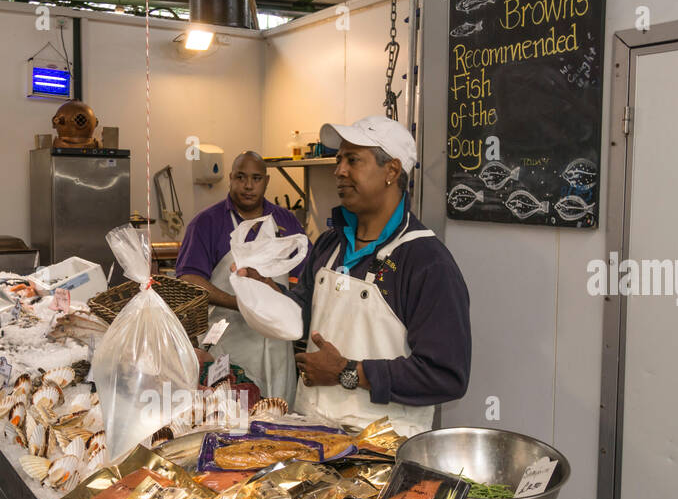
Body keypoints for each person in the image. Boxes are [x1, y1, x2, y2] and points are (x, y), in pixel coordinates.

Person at [240, 116, 471, 438]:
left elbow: (445, 374)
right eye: (338, 160)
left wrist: (349, 372)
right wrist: (267, 295)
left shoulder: (425, 261)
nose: (339, 171)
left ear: (391, 171)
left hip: (380, 447)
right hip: (312, 431)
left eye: (353, 160)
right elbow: (306, 318)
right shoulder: (329, 244)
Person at [175, 151, 310, 402]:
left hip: (277, 346)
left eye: (256, 178)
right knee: (228, 418)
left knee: (278, 418)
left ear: (267, 182)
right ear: (230, 178)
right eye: (241, 177)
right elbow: (189, 280)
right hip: (228, 343)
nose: (248, 185)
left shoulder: (286, 222)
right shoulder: (206, 223)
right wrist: (242, 304)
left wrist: (280, 305)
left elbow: (306, 279)